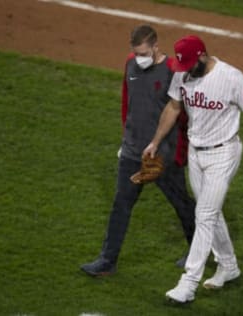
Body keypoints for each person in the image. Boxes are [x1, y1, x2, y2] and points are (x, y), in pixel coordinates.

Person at [143, 35, 243, 303]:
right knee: (210, 210)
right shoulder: (183, 74)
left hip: (224, 153)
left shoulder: (231, 77)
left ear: (202, 55)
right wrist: (155, 141)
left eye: (188, 64)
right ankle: (229, 266)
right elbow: (173, 107)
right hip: (196, 154)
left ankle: (188, 284)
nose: (184, 71)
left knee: (205, 214)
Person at [80, 25, 196, 276]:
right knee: (121, 204)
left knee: (181, 204)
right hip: (133, 153)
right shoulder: (130, 64)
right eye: (136, 52)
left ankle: (199, 251)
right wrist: (126, 140)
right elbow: (127, 103)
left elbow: (183, 116)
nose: (139, 58)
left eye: (144, 53)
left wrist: (180, 152)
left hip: (162, 155)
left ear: (156, 47)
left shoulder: (173, 72)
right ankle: (107, 261)